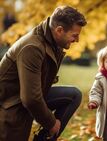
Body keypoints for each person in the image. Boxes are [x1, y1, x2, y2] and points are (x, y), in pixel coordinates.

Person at [0, 6, 87, 141]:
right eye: (74, 35)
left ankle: (44, 138)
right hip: (11, 105)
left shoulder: (51, 40)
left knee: (73, 95)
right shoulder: (32, 47)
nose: (77, 40)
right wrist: (51, 122)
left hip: (26, 96)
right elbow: (30, 98)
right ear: (59, 30)